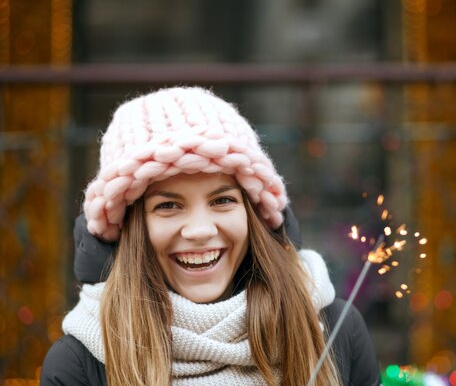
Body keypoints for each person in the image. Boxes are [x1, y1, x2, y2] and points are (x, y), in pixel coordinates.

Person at [40, 86, 380, 386]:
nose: (201, 231)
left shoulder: (336, 331)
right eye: (168, 206)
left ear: (254, 213)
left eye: (223, 200)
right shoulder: (78, 365)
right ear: (130, 227)